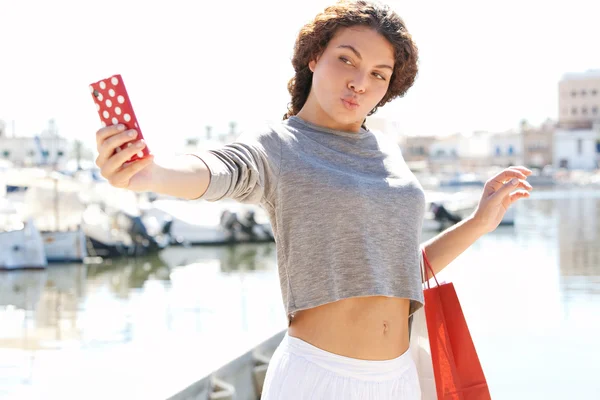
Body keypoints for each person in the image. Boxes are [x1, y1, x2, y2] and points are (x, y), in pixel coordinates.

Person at [93, 1, 533, 398]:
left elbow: (397, 272)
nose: (360, 83)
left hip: (400, 378)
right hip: (320, 380)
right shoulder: (279, 145)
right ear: (314, 57)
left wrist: (478, 223)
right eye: (347, 60)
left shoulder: (387, 153)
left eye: (378, 74)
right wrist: (152, 174)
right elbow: (220, 170)